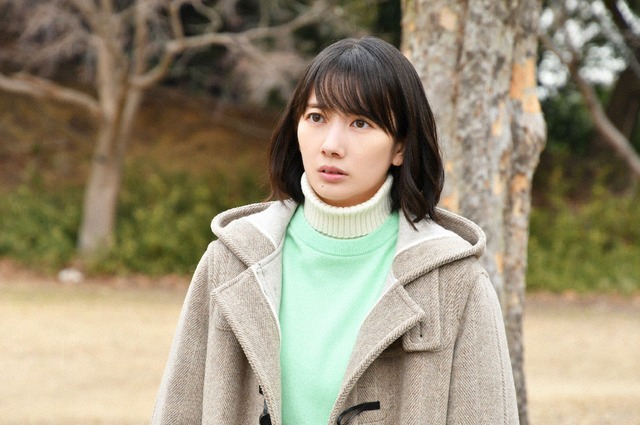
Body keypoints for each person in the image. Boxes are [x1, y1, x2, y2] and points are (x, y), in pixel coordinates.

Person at [151, 36, 519, 425]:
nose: (331, 145)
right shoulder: (230, 261)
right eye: (316, 118)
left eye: (361, 123)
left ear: (400, 147)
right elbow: (178, 411)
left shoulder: (456, 282)